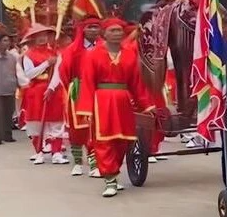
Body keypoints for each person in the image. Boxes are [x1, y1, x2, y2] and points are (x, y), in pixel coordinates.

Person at [76, 17, 155, 197]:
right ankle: (110, 180)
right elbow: (87, 82)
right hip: (101, 101)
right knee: (104, 141)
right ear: (104, 34)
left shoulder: (129, 54)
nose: (117, 33)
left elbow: (136, 83)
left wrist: (147, 105)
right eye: (112, 30)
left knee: (123, 140)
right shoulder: (93, 54)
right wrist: (86, 109)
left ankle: (113, 171)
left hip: (123, 101)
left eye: (120, 30)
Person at [51, 17, 102, 176]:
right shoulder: (72, 50)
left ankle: (95, 165)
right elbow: (64, 72)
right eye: (90, 27)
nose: (93, 30)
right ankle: (78, 163)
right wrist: (74, 87)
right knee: (77, 130)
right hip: (78, 92)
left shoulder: (105, 49)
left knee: (96, 129)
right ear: (83, 30)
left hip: (99, 92)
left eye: (96, 27)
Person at [18, 24, 68, 164]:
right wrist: (46, 63)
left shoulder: (55, 52)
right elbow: (29, 74)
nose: (42, 38)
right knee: (36, 123)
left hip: (53, 90)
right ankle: (39, 152)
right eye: (38, 36)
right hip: (36, 91)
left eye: (44, 35)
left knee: (56, 122)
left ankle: (56, 152)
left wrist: (52, 88)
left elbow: (59, 72)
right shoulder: (28, 55)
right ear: (33, 39)